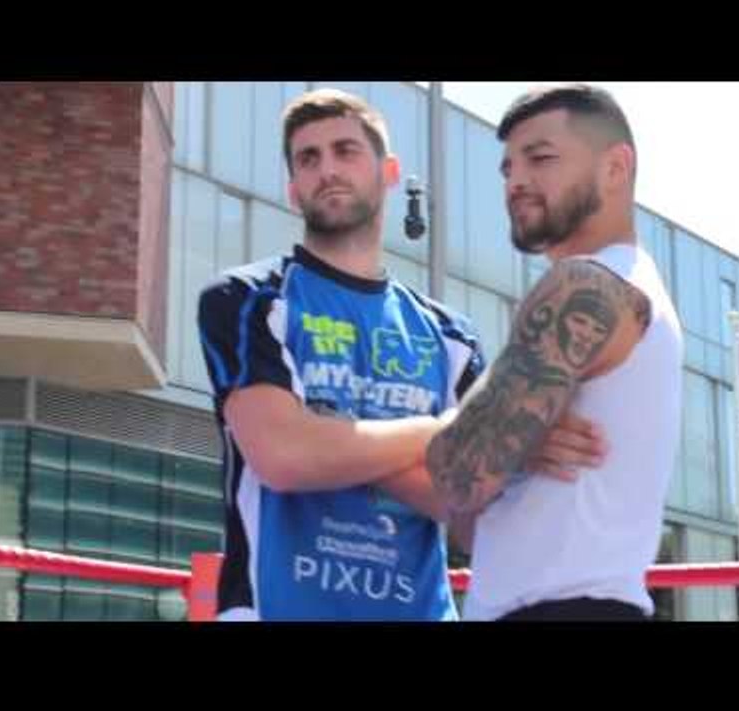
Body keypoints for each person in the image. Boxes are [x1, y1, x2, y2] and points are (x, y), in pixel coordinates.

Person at [197, 88, 607, 621]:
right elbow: (284, 457)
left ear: (389, 171)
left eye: (346, 150)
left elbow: (468, 513)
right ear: (293, 189)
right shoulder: (246, 298)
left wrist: (333, 433)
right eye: (308, 158)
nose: (327, 170)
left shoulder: (450, 336)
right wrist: (449, 430)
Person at [427, 84, 683, 621]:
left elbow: (453, 472)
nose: (517, 181)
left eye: (540, 158)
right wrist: (517, 441)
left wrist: (498, 438)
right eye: (507, 169)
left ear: (616, 167)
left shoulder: (586, 285)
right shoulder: (635, 287)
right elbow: (471, 521)